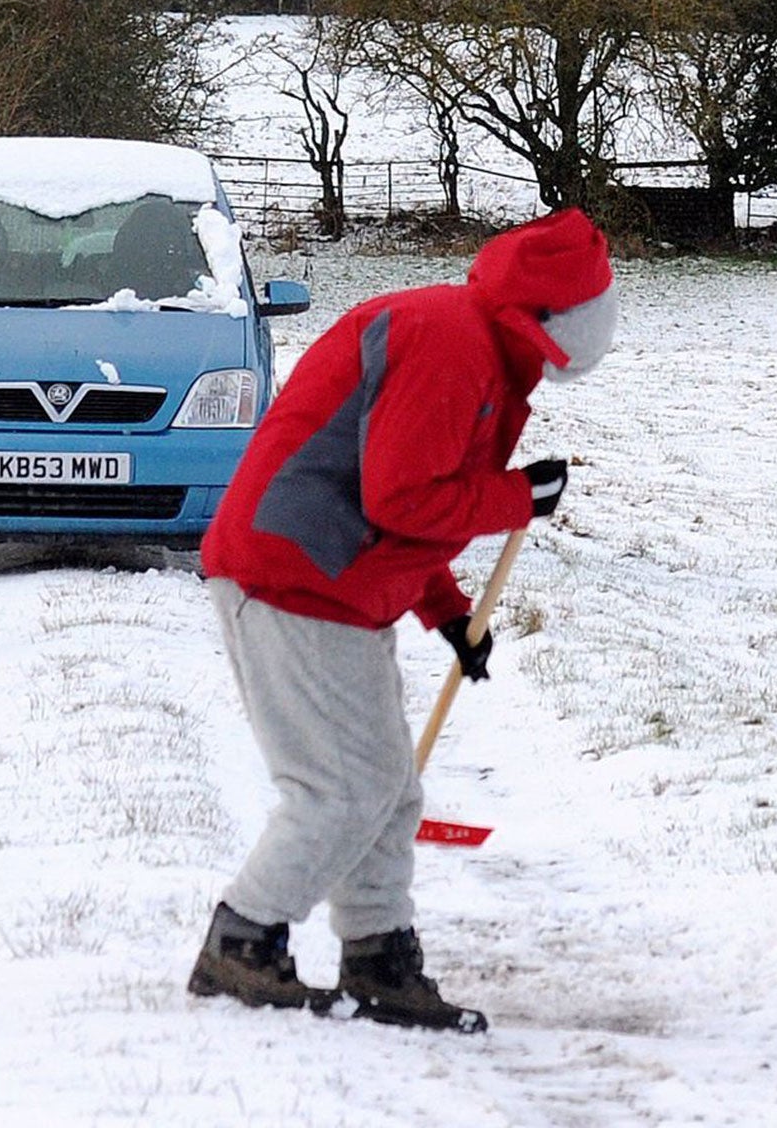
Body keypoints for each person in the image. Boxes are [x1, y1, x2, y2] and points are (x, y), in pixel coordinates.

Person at [189, 207, 616, 1032]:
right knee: (339, 792)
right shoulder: (452, 346)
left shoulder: (476, 347)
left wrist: (450, 613)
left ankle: (379, 956)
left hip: (337, 582)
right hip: (294, 575)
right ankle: (241, 940)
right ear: (548, 317)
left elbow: (405, 500)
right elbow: (400, 498)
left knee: (386, 789)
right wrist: (517, 497)